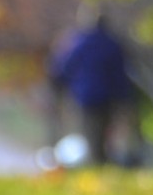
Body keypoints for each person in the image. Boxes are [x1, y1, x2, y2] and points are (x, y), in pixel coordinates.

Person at [49, 9, 135, 166]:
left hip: (85, 95)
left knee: (90, 131)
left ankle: (96, 162)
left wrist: (60, 86)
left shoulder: (79, 43)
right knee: (105, 131)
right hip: (108, 96)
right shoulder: (112, 44)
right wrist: (124, 96)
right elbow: (120, 74)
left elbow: (64, 68)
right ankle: (101, 161)